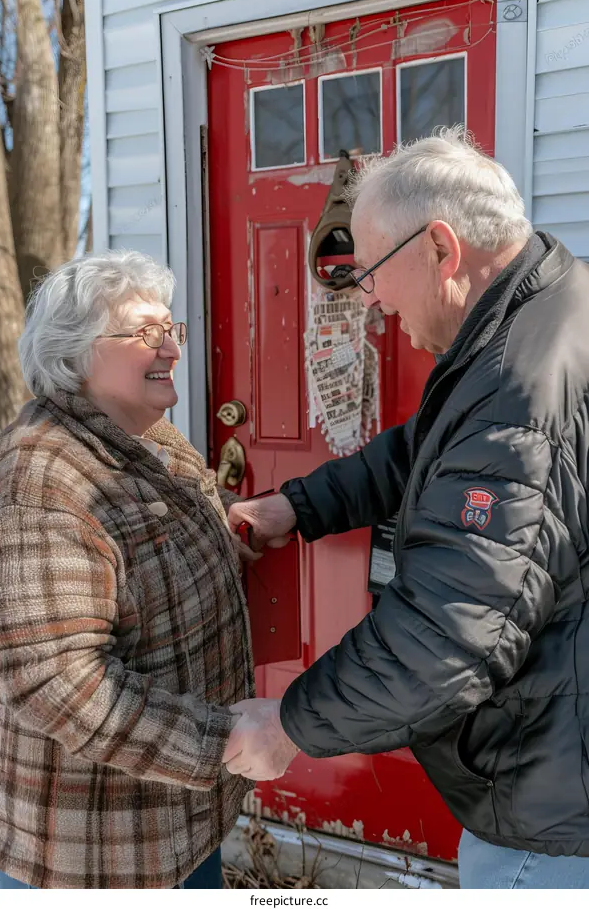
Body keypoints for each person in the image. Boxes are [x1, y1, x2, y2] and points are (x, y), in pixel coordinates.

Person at [223, 127, 589, 889]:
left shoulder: (518, 387)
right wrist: (298, 505)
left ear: (442, 249)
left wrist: (289, 725)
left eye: (373, 273)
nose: (374, 302)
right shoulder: (548, 309)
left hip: (550, 819)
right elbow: (424, 448)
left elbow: (450, 635)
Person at [0, 251, 255, 889]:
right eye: (145, 332)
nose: (171, 347)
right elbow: (60, 685)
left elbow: (159, 531)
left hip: (177, 825)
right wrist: (223, 742)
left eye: (172, 329)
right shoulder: (40, 480)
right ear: (76, 356)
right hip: (98, 859)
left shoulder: (145, 436)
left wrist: (227, 531)